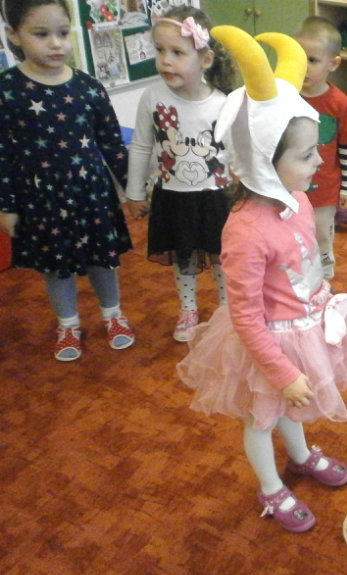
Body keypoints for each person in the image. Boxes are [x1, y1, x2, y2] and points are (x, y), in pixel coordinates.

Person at [177, 26, 347, 533]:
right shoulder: (245, 231)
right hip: (268, 344)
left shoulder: (299, 199)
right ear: (265, 163)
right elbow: (246, 315)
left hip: (303, 327)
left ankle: (302, 455)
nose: (320, 162)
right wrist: (282, 372)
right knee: (263, 416)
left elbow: (305, 264)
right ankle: (271, 487)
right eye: (307, 155)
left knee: (295, 407)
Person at [0, 0, 135, 361]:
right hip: (41, 201)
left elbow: (112, 145)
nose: (56, 43)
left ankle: (113, 315)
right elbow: (2, 154)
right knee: (56, 267)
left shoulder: (89, 87)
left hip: (92, 195)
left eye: (63, 32)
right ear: (14, 35)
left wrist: (134, 189)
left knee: (102, 260)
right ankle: (68, 324)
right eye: (41, 34)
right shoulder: (7, 90)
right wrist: (6, 204)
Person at [125, 6, 235, 342]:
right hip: (172, 196)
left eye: (177, 52)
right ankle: (188, 309)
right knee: (182, 255)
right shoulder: (153, 97)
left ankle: (227, 310)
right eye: (160, 51)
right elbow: (141, 146)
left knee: (221, 256)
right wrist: (134, 193)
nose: (165, 61)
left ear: (205, 59)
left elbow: (237, 154)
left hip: (217, 196)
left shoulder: (223, 103)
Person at [294, 16, 347, 279]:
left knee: (322, 235)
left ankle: (324, 277)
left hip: (325, 191)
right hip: (290, 188)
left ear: (333, 63)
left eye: (312, 60)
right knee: (292, 235)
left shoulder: (339, 103)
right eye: (299, 58)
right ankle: (297, 277)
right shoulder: (286, 96)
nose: (304, 67)